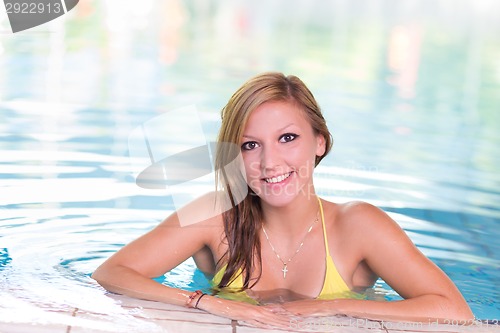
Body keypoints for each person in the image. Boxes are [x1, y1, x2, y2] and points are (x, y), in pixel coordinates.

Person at [92, 72, 474, 328]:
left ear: (319, 142)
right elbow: (112, 273)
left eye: (287, 138)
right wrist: (209, 302)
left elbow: (455, 311)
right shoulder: (215, 216)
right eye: (250, 145)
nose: (270, 162)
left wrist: (329, 305)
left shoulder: (358, 226)